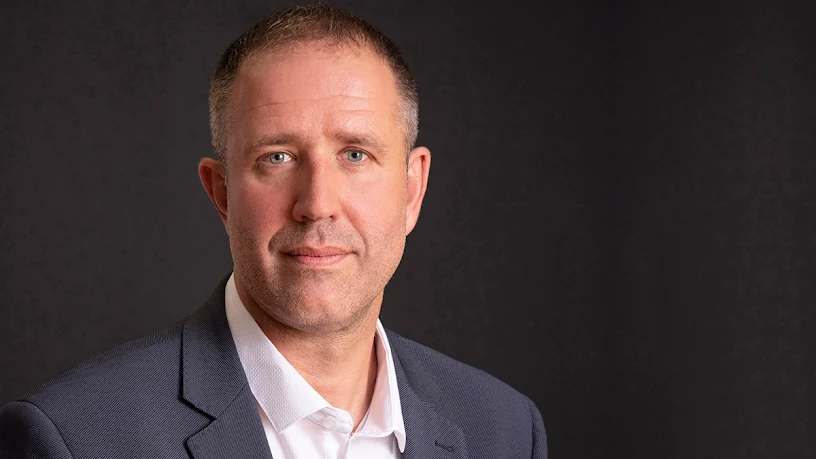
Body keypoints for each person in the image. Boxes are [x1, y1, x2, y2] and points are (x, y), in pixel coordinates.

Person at [0, 4, 546, 458]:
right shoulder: (73, 439)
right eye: (277, 156)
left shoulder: (505, 430)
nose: (316, 205)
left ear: (411, 189)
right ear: (222, 194)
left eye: (355, 154)